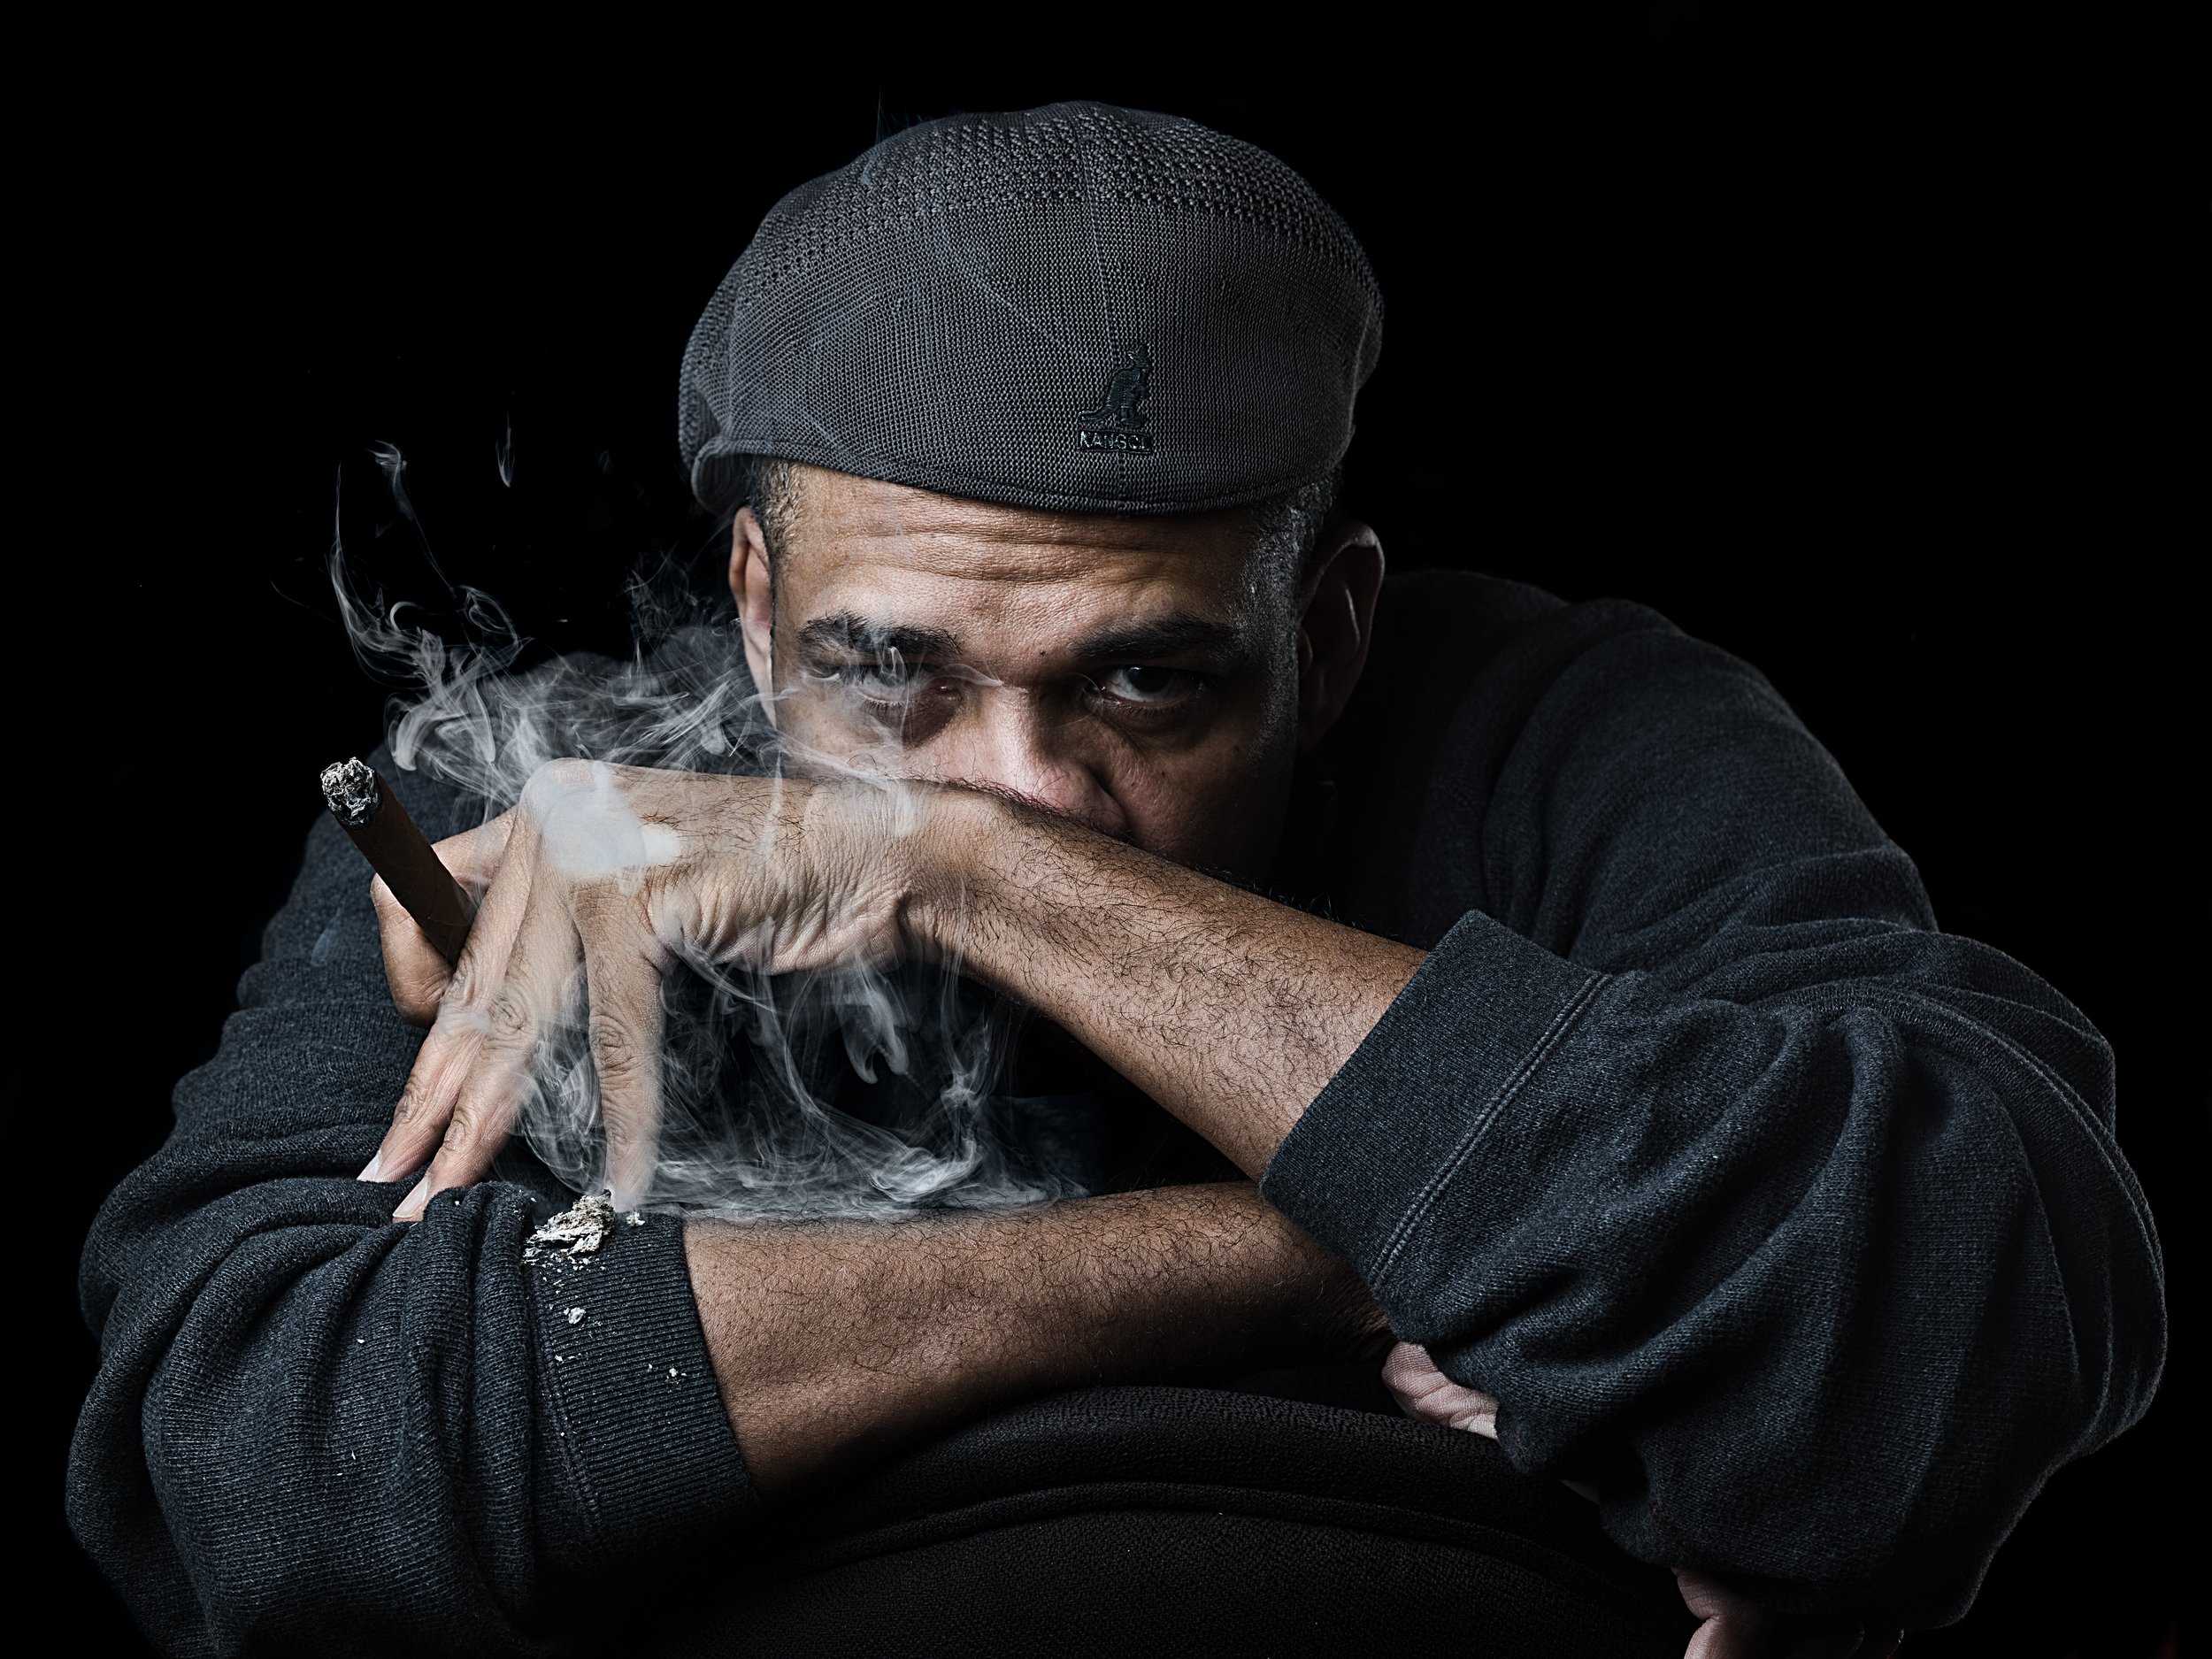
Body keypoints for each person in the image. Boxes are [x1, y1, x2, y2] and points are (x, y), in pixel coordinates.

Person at [70, 102, 2162, 1656]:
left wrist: (961, 873)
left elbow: (1952, 1289)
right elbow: (252, 1454)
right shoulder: (549, 800)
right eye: (886, 673)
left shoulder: (1559, 722)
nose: (1027, 777)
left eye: (1152, 679)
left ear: (1327, 630)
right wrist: (1307, 1254)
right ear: (752, 595)